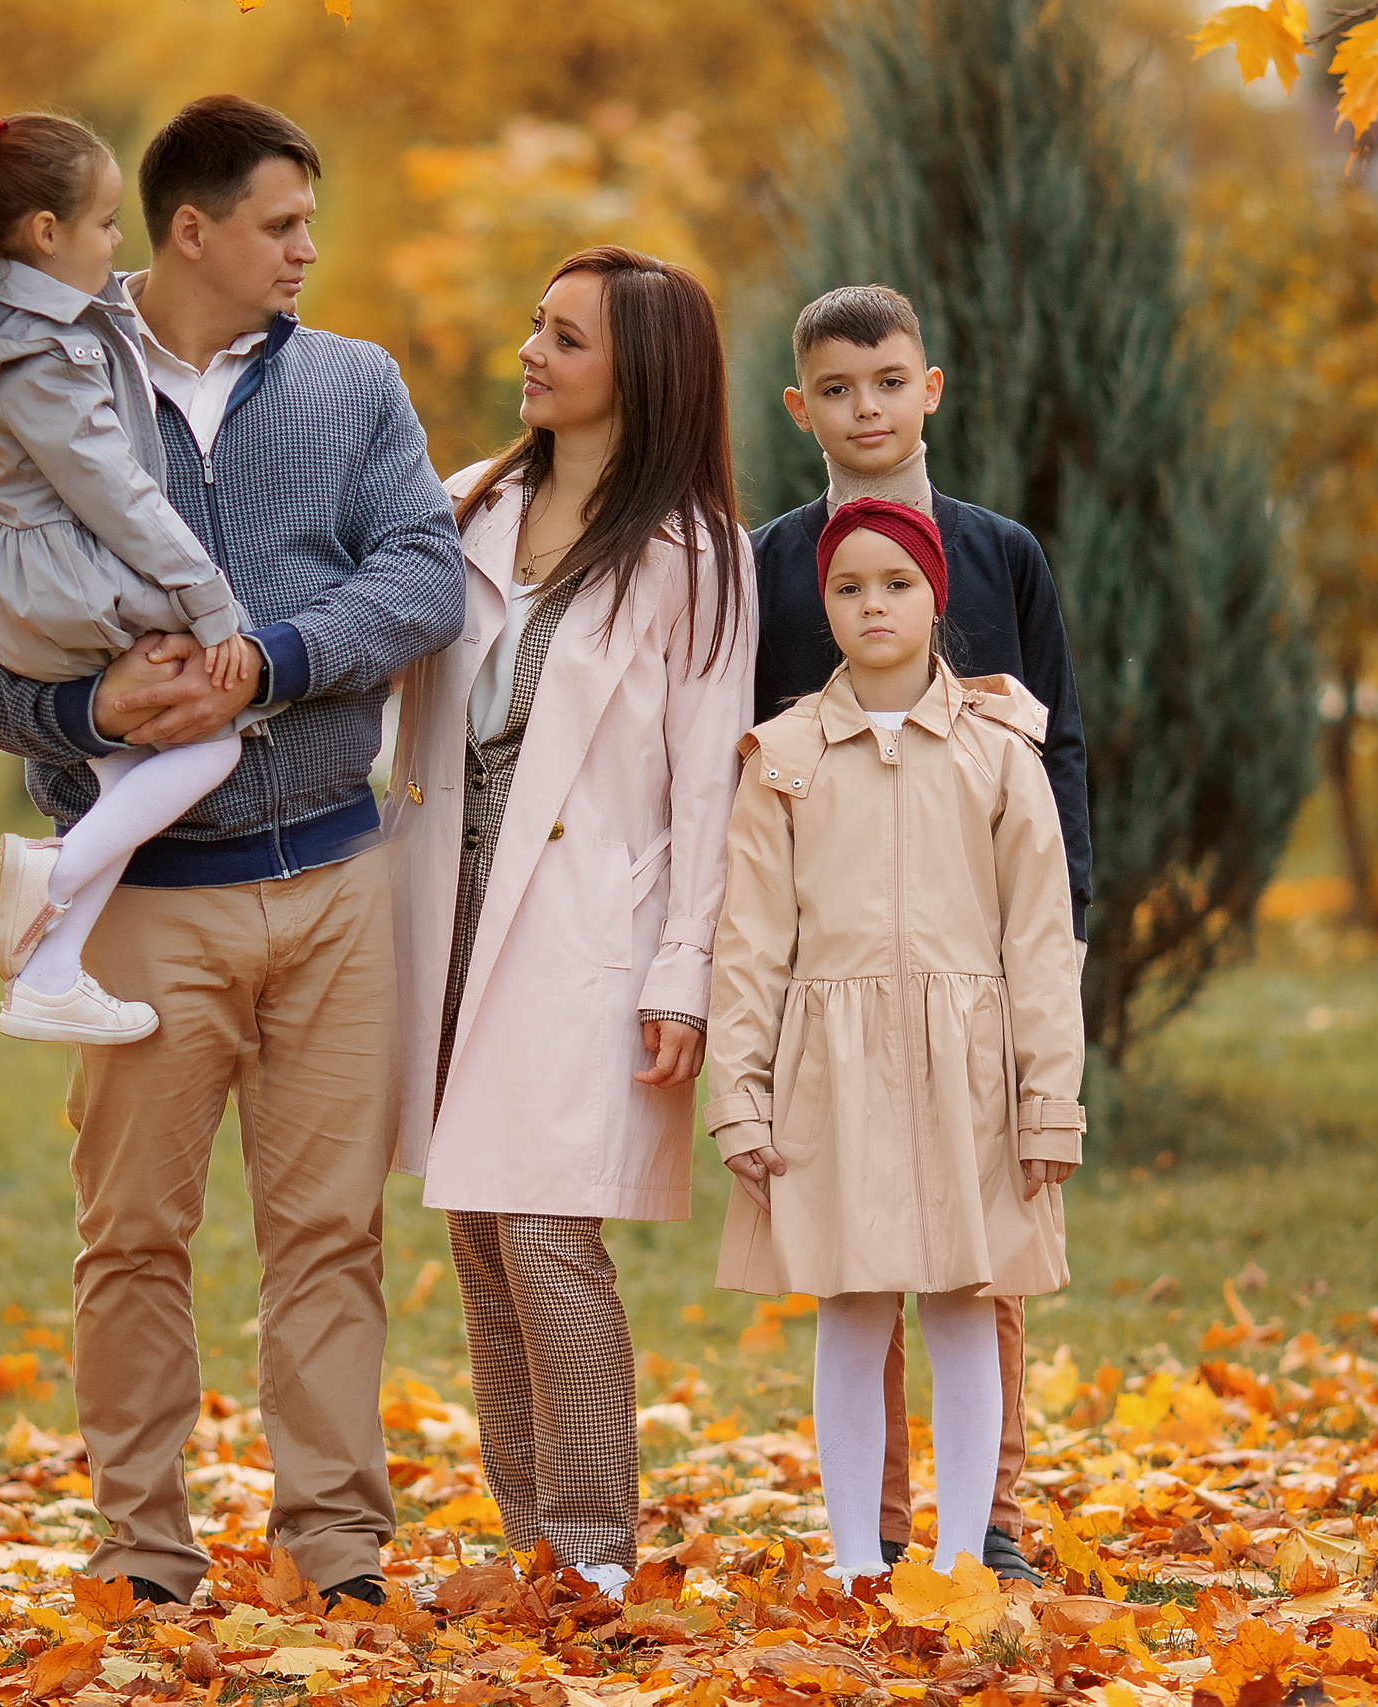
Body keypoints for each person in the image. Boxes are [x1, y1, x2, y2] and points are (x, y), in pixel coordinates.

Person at [0, 95, 467, 1609]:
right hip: (153, 904)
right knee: (135, 1238)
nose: (308, 249)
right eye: (284, 224)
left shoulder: (356, 386)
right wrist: (82, 703)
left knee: (327, 1237)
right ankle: (144, 1554)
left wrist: (276, 657)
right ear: (189, 229)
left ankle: (339, 1548)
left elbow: (424, 575)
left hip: (336, 881)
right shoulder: (37, 379)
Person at [384, 246, 755, 1593]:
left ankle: (593, 1551)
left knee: (548, 1228)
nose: (533, 352)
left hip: (594, 928)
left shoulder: (694, 556)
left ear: (639, 374)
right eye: (538, 325)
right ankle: (528, 1542)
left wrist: (684, 976)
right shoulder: (463, 503)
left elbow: (711, 778)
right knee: (478, 1224)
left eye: (568, 338)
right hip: (452, 906)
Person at [749, 283, 1089, 1583]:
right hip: (835, 972)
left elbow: (1055, 759)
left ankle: (985, 1515)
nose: (865, 407)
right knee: (858, 1251)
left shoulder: (1000, 554)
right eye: (836, 389)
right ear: (801, 409)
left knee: (978, 1251)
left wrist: (1062, 923)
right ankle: (875, 1519)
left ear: (929, 386)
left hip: (978, 962)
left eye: (887, 380)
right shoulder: (775, 562)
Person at [0, 111, 265, 1048]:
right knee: (212, 744)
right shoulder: (45, 355)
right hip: (68, 584)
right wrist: (209, 600)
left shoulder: (31, 324)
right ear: (47, 234)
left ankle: (50, 975)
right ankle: (51, 872)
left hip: (40, 583)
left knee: (128, 777)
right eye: (106, 224)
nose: (119, 240)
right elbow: (118, 493)